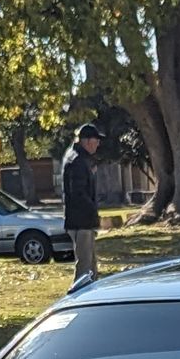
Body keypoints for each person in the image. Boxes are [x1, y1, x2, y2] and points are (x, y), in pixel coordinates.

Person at [61, 121, 105, 282]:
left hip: (81, 220)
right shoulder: (78, 161)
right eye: (96, 140)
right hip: (81, 221)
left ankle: (92, 295)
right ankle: (79, 297)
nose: (98, 144)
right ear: (86, 141)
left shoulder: (78, 158)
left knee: (91, 265)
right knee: (85, 266)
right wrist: (93, 212)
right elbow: (78, 193)